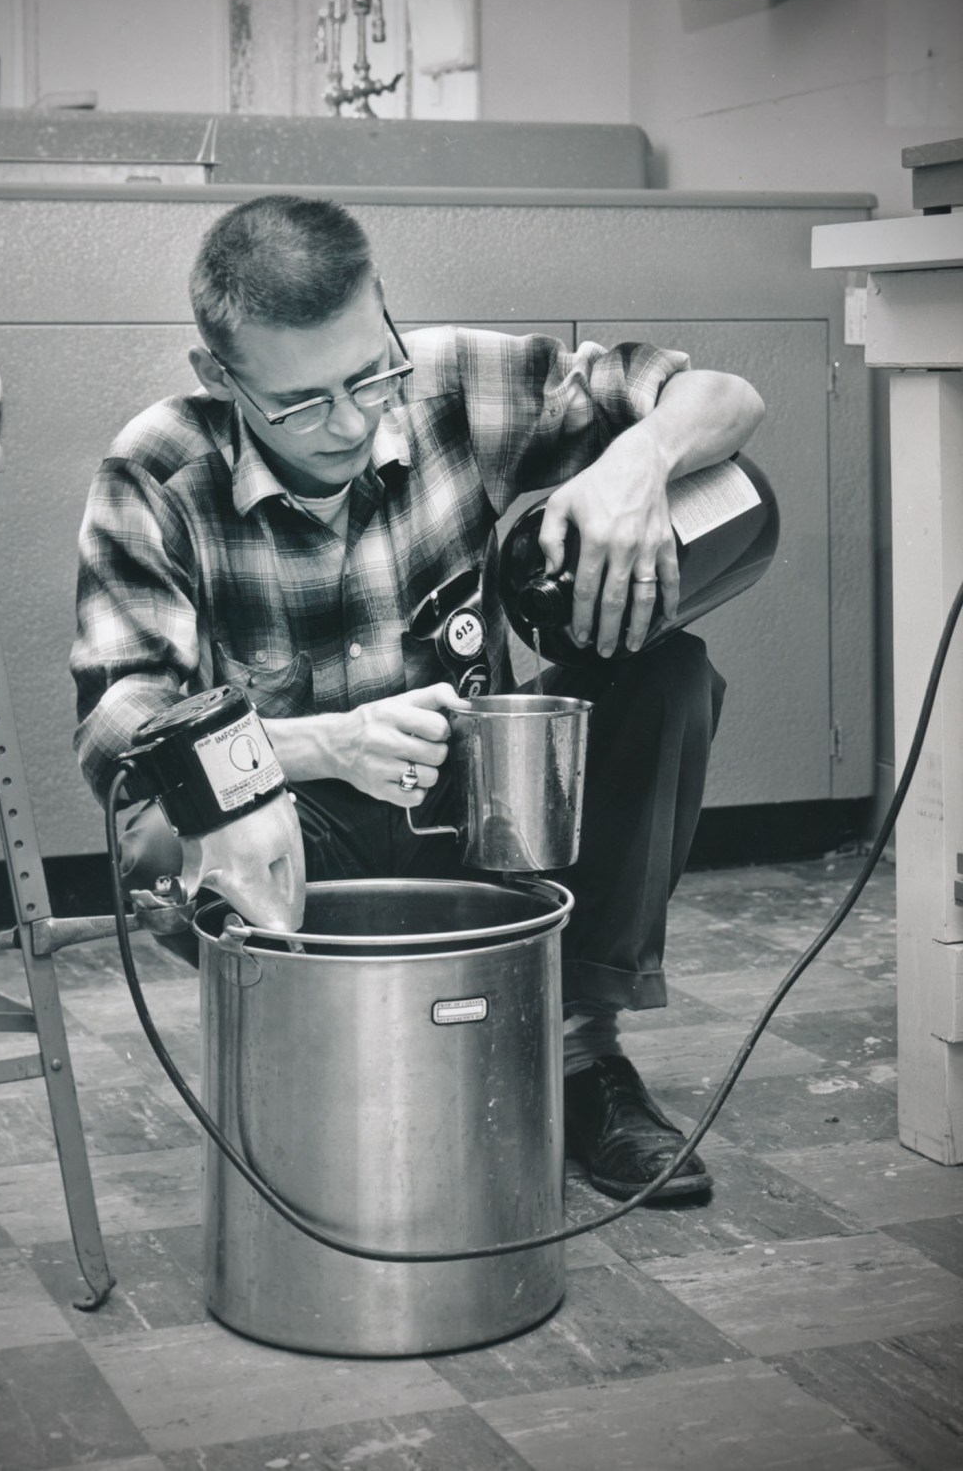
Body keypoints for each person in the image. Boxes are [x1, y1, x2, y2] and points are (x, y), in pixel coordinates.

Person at [71, 194, 764, 1203]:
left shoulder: (452, 381)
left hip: (476, 808)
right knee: (159, 828)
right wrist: (325, 744)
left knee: (666, 676)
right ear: (218, 377)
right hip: (300, 834)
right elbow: (121, 733)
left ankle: (579, 1057)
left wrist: (636, 464)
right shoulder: (156, 472)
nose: (353, 422)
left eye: (369, 374)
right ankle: (315, 1044)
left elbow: (725, 398)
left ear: (384, 308)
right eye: (303, 403)